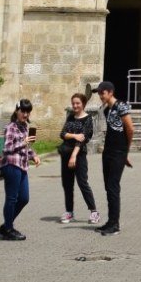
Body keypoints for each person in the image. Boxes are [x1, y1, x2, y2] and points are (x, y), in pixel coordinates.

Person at [94, 80, 136, 236]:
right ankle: (110, 222)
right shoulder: (107, 109)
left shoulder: (121, 106)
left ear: (110, 92)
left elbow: (130, 129)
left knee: (113, 187)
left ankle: (115, 225)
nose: (100, 96)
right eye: (99, 93)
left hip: (118, 152)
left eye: (102, 93)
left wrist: (126, 151)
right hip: (108, 152)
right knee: (108, 187)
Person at [0, 99, 40, 241]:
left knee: (24, 198)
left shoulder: (24, 127)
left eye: (28, 112)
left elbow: (25, 148)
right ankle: (8, 229)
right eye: (23, 111)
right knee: (12, 198)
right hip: (11, 165)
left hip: (22, 165)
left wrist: (33, 156)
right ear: (17, 111)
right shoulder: (11, 127)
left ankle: (6, 225)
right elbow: (7, 148)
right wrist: (23, 142)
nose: (25, 114)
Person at [58, 92, 100, 225]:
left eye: (78, 103)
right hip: (65, 155)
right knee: (67, 184)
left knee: (83, 183)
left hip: (79, 155)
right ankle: (69, 212)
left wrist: (74, 155)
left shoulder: (88, 119)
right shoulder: (70, 117)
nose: (75, 105)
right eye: (73, 103)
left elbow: (84, 139)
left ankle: (94, 212)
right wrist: (74, 136)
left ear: (83, 104)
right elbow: (62, 134)